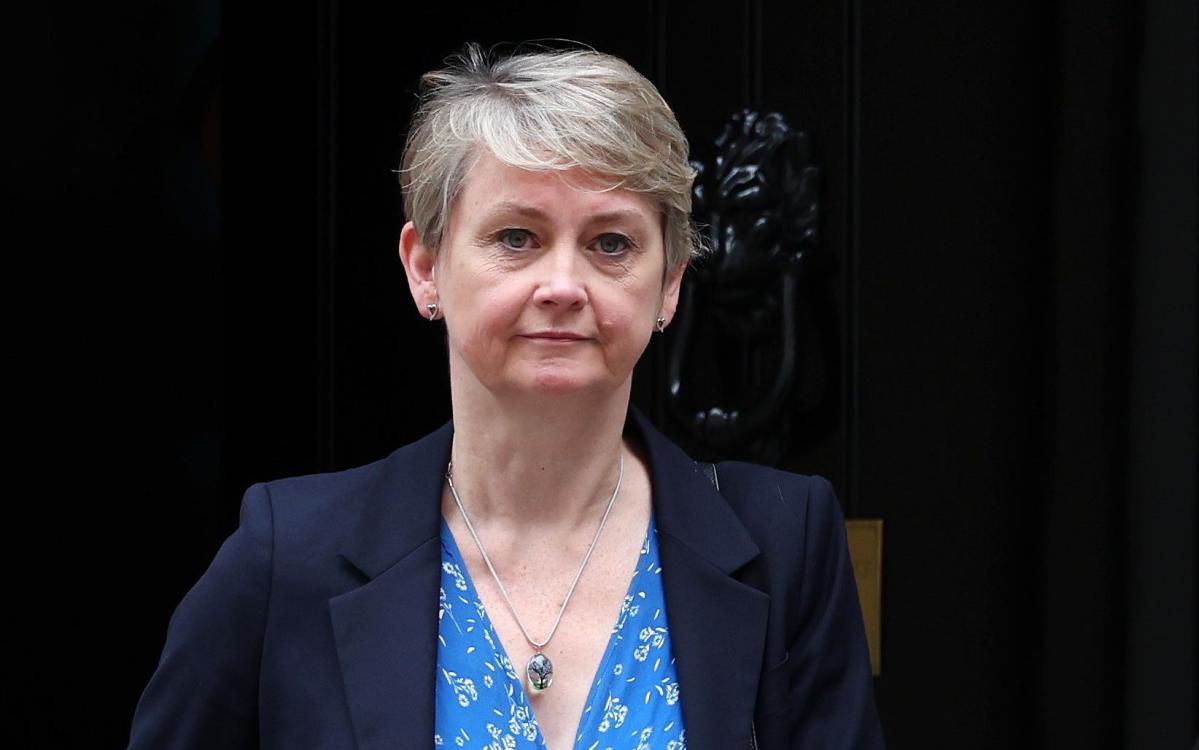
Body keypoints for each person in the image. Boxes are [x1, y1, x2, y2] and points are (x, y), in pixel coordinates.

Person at [127, 43, 884, 750]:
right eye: (516, 237)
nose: (562, 286)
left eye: (610, 243)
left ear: (671, 283)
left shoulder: (788, 542)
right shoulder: (286, 555)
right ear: (424, 267)